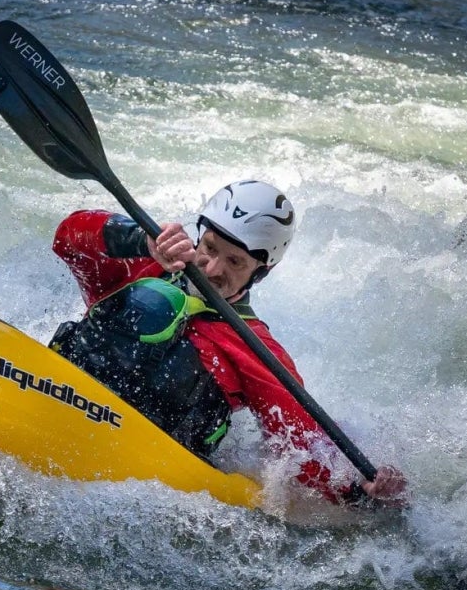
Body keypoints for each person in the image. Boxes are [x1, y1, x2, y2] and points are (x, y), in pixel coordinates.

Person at [50, 180, 408, 508]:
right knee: (152, 303)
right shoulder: (142, 265)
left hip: (141, 454)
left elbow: (299, 446)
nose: (211, 268)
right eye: (208, 247)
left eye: (235, 261)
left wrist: (362, 492)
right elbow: (66, 240)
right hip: (59, 396)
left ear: (260, 273)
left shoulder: (256, 349)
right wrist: (138, 239)